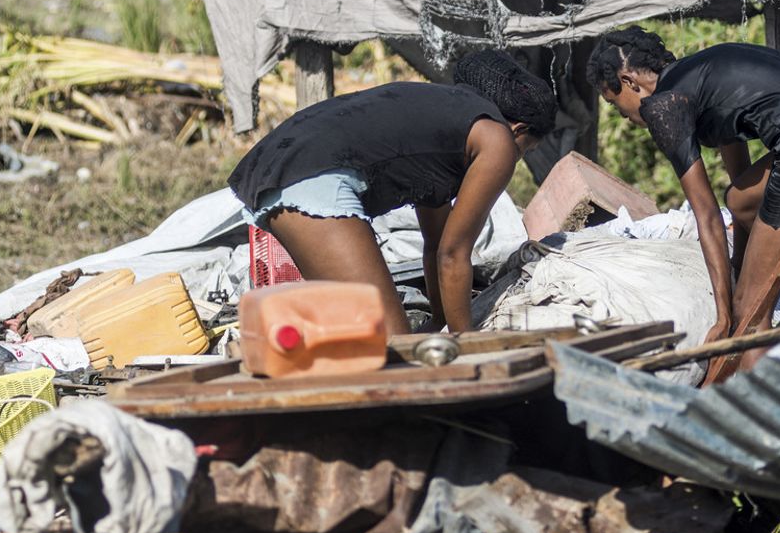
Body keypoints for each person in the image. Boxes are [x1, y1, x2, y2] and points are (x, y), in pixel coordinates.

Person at [587, 27, 780, 383]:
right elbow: (743, 194)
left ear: (628, 81)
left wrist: (724, 314)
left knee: (750, 313)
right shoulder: (702, 75)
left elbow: (705, 216)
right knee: (740, 199)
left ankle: (754, 414)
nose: (626, 118)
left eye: (615, 105)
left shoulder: (662, 106)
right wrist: (742, 265)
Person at [229, 51, 556, 336]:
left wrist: (441, 321)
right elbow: (454, 255)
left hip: (272, 168)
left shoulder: (445, 121)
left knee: (359, 343)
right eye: (525, 151)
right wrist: (465, 343)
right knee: (392, 348)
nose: (516, 159)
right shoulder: (497, 139)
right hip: (314, 178)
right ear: (519, 129)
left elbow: (436, 246)